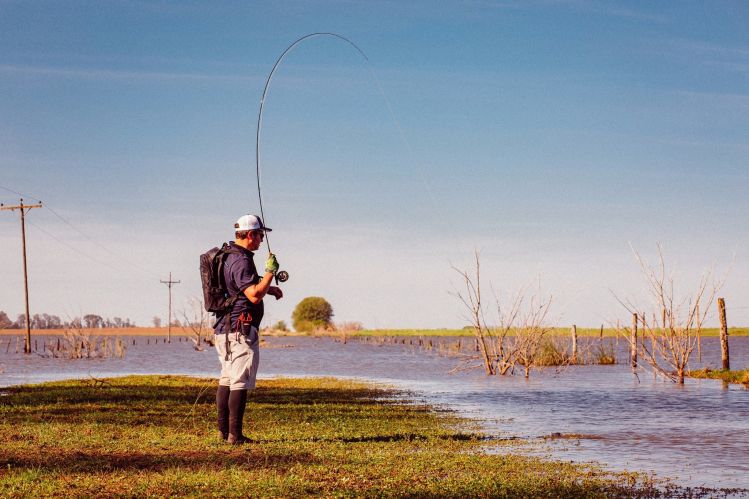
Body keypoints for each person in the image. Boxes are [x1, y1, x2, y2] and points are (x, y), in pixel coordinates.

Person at [214, 214, 283, 444]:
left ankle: (223, 433)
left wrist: (269, 289)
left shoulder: (228, 256)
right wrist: (270, 272)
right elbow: (253, 295)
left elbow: (243, 288)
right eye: (260, 235)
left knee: (227, 379)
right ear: (250, 234)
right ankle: (236, 436)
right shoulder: (242, 260)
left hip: (224, 329)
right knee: (239, 381)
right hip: (240, 330)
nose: (262, 240)